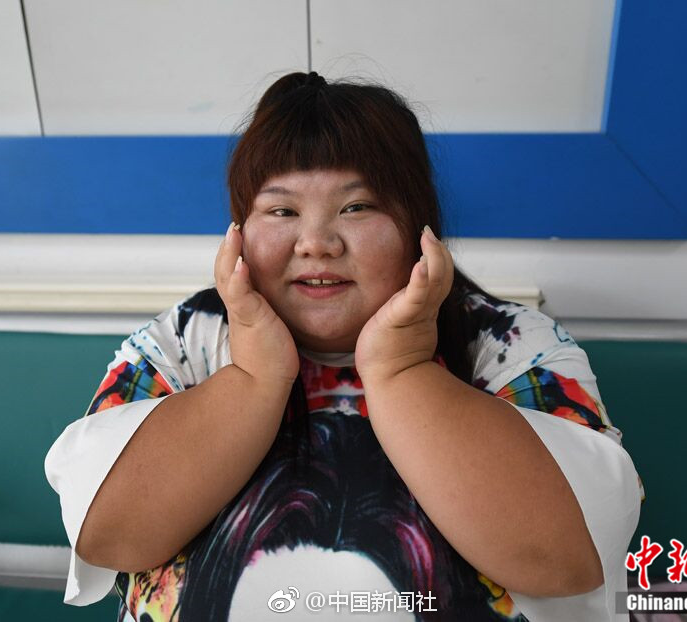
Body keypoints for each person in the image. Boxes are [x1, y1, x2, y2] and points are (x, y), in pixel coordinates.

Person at [45, 70, 641, 621]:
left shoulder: (508, 343)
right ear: (239, 230)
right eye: (281, 209)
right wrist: (255, 376)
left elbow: (566, 560)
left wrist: (400, 369)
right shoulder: (185, 339)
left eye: (356, 207)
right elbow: (110, 536)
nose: (317, 243)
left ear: (418, 224)